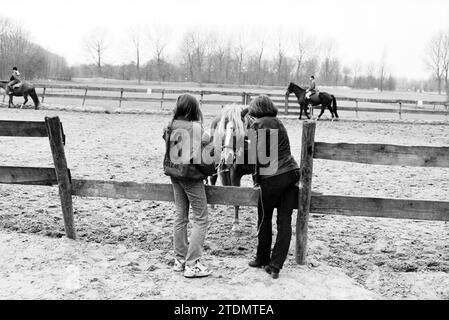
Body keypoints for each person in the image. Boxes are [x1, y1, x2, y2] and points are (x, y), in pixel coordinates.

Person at [247, 95, 300, 279]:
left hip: (272, 177)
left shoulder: (257, 125)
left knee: (264, 217)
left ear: (256, 109)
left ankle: (262, 258)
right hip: (292, 172)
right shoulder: (279, 123)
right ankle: (276, 265)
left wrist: (256, 180)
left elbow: (256, 158)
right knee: (284, 220)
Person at [163, 94, 213, 278]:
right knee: (201, 218)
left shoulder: (170, 125)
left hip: (173, 173)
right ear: (194, 109)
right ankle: (193, 264)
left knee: (180, 216)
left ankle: (180, 260)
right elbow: (205, 151)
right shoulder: (197, 128)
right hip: (190, 176)